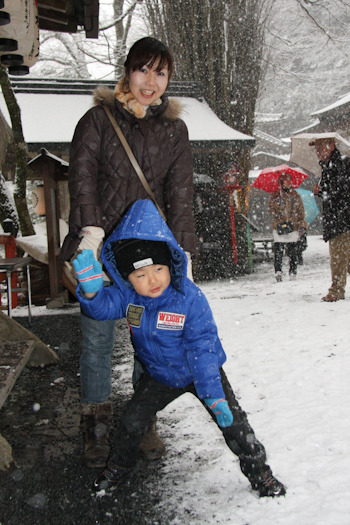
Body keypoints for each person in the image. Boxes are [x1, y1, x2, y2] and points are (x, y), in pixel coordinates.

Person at [72, 199, 286, 498]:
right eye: (140, 275)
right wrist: (92, 291)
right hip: (159, 376)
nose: (152, 280)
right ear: (128, 279)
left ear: (170, 264)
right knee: (131, 422)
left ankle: (261, 475)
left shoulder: (189, 299)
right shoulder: (131, 298)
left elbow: (202, 348)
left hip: (201, 373)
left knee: (234, 425)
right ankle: (117, 469)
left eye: (158, 269)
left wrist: (214, 397)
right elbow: (103, 309)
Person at [60, 37, 197, 467]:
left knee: (150, 341)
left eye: (161, 72)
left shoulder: (175, 130)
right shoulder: (97, 120)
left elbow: (180, 196)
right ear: (127, 71)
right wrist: (90, 232)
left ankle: (142, 420)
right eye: (143, 69)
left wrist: (183, 256)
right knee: (98, 342)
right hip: (98, 250)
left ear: (168, 78)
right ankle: (95, 427)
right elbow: (81, 177)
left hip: (149, 260)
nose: (150, 82)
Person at [311, 137, 350, 302]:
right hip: (338, 219)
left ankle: (336, 290)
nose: (318, 152)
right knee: (344, 259)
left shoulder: (341, 165)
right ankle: (337, 288)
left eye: (320, 147)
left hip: (341, 220)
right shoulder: (328, 167)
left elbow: (341, 191)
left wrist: (323, 190)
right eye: (316, 148)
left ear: (331, 145)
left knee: (338, 258)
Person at [268, 173, 307, 282]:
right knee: (278, 251)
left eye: (290, 180)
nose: (288, 182)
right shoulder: (276, 195)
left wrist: (302, 226)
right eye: (286, 180)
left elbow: (301, 213)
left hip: (293, 227)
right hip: (279, 227)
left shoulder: (296, 196)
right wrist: (277, 204)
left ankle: (293, 272)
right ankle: (278, 271)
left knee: (293, 251)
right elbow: (271, 211)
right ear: (281, 182)